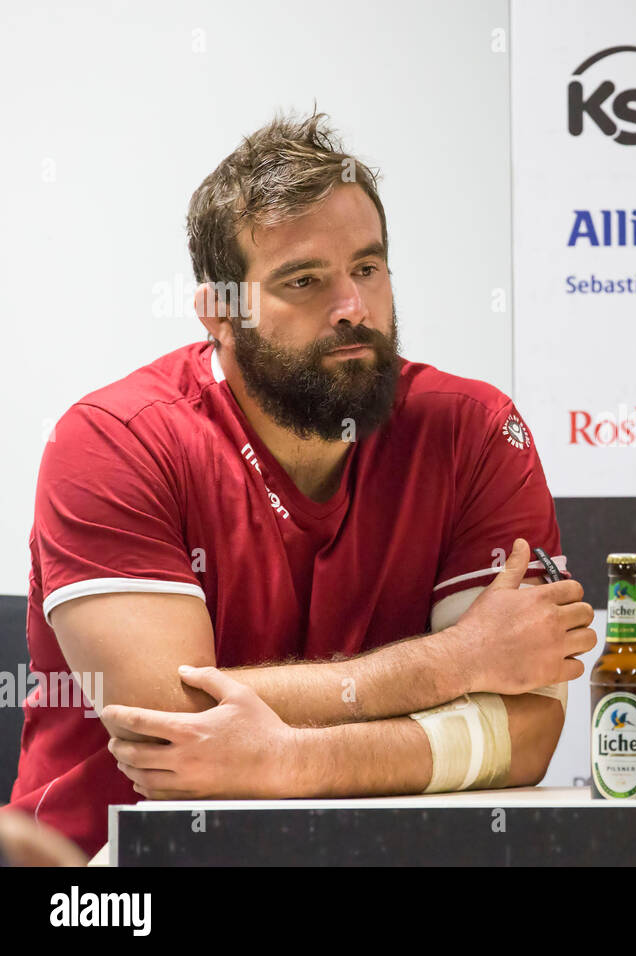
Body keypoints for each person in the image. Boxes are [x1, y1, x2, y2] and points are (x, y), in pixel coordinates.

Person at [4, 111, 595, 856]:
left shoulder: (471, 430)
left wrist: (289, 758)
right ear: (219, 315)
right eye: (305, 280)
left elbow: (527, 731)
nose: (353, 307)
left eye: (368, 269)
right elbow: (169, 719)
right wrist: (458, 662)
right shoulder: (113, 439)